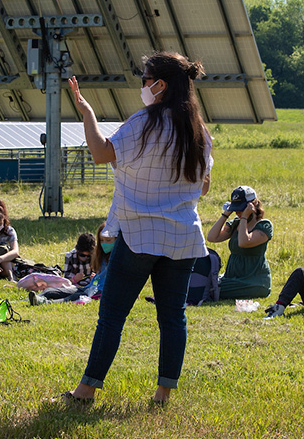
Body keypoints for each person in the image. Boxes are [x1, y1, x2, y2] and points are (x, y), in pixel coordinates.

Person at [62, 51, 213, 406]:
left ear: (159, 85)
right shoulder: (200, 132)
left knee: (112, 314)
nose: (141, 85)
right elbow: (203, 186)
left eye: (145, 79)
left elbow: (101, 153)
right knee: (173, 316)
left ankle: (85, 391)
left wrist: (88, 114)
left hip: (140, 236)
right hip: (183, 238)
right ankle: (163, 395)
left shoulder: (143, 122)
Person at [206, 186, 271, 300]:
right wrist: (226, 214)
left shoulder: (264, 226)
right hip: (231, 278)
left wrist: (245, 217)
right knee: (204, 283)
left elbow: (244, 242)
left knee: (209, 290)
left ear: (252, 205)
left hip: (254, 282)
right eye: (236, 208)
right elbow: (212, 237)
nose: (237, 213)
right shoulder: (236, 223)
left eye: (240, 209)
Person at [38, 224, 116, 303]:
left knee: (75, 296)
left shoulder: (118, 258)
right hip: (90, 287)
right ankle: (34, 299)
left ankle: (45, 302)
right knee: (50, 291)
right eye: (101, 240)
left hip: (101, 291)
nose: (104, 243)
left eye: (108, 240)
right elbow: (101, 274)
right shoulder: (101, 255)